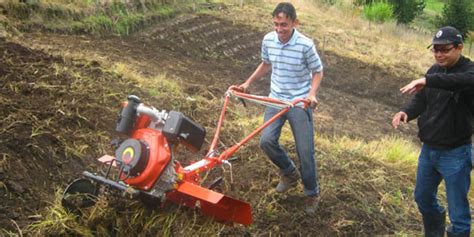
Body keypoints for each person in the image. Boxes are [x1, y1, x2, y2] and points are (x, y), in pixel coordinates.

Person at [238, 2, 323, 214]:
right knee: (266, 141)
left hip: (298, 102)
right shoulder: (268, 39)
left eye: (283, 24)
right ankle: (289, 172)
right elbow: (266, 63)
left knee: (305, 151)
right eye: (276, 24)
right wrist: (247, 83)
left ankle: (312, 193)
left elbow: (318, 71)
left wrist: (311, 94)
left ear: (294, 22)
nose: (279, 29)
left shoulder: (305, 45)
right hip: (275, 99)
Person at [392, 26, 474, 237]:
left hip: (456, 153)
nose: (439, 54)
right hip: (429, 150)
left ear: (459, 48)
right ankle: (435, 232)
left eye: (444, 49)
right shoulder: (434, 70)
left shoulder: (469, 72)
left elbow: (457, 81)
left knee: (459, 214)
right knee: (423, 198)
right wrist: (406, 112)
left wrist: (428, 80)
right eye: (435, 49)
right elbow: (422, 99)